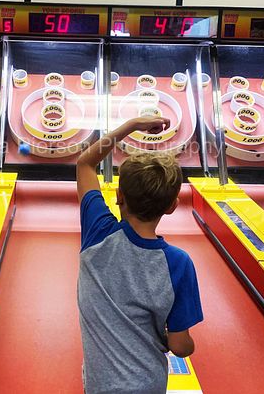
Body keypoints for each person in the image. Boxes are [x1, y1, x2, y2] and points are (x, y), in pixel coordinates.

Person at [76, 116, 203, 394]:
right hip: (148, 385)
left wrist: (132, 126)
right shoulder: (179, 264)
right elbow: (181, 347)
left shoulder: (98, 233)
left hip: (99, 386)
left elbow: (85, 162)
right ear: (172, 206)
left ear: (119, 195)